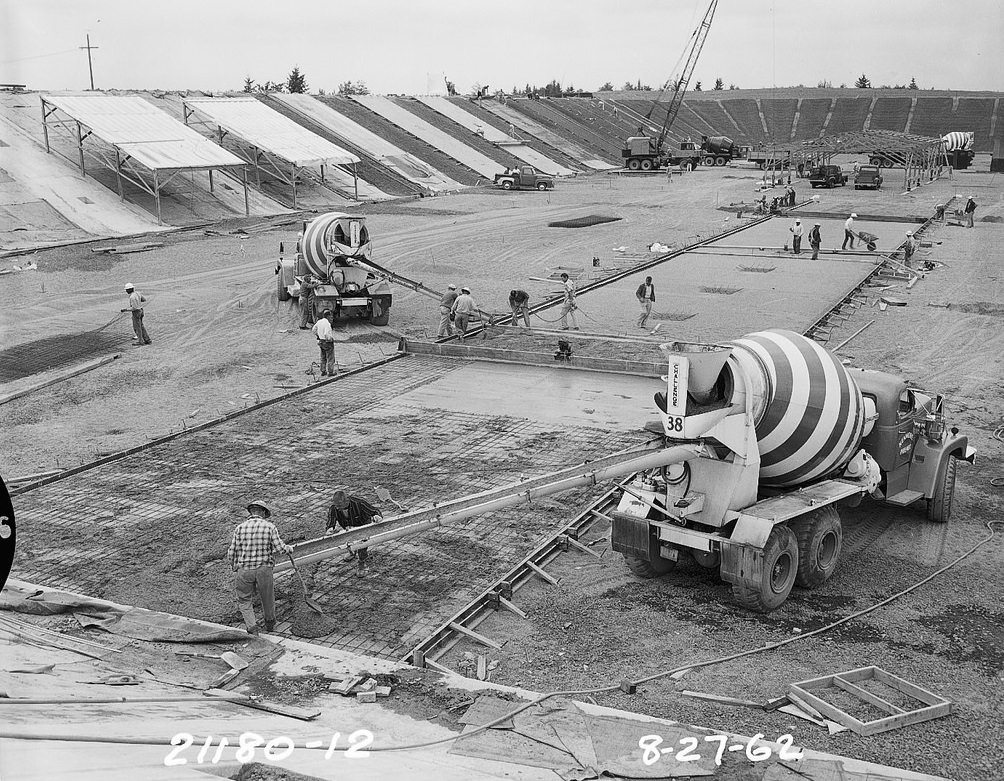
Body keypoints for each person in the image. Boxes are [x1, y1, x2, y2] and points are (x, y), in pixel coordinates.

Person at [226, 500, 293, 635]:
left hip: (245, 569)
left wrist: (235, 566)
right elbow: (280, 548)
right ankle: (270, 624)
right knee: (267, 597)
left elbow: (232, 552)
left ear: (251, 511)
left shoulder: (240, 528)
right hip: (264, 569)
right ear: (262, 512)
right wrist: (289, 549)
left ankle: (252, 627)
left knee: (244, 599)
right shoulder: (270, 527)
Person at [325, 490, 383, 564]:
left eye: (339, 505)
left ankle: (362, 562)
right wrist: (329, 529)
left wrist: (377, 516)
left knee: (362, 545)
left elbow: (374, 510)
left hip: (362, 527)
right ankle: (352, 552)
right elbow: (331, 520)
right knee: (348, 540)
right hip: (348, 528)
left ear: (346, 501)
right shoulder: (334, 508)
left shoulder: (359, 503)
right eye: (335, 505)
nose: (337, 508)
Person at [312, 309, 336, 376]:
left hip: (321, 342)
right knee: (330, 357)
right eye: (330, 316)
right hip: (327, 342)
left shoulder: (319, 322)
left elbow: (313, 330)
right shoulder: (327, 323)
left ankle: (323, 371)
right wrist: (330, 339)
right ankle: (330, 372)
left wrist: (318, 336)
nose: (331, 317)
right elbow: (326, 334)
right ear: (328, 316)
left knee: (323, 357)